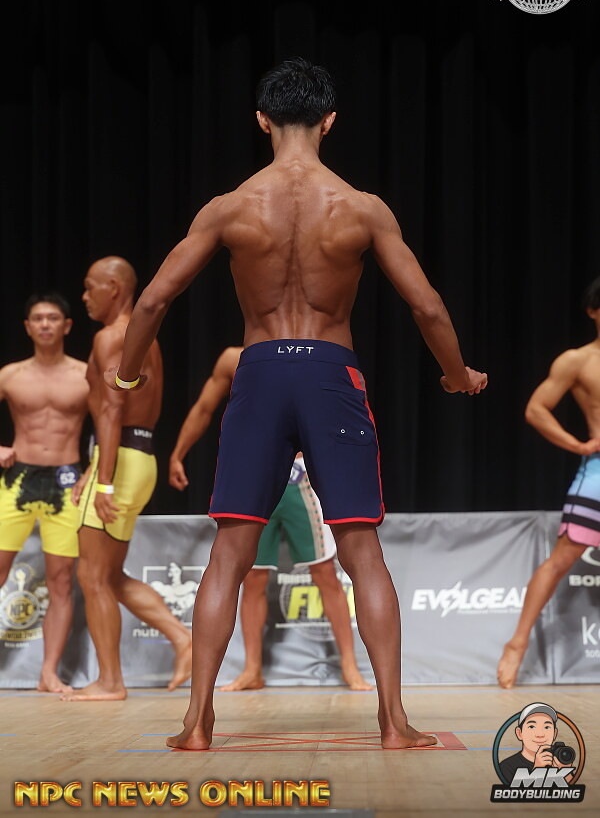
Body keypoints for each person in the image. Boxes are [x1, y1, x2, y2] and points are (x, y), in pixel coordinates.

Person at [107, 57, 487, 749]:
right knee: (361, 549)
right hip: (329, 375)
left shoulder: (229, 207)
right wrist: (458, 375)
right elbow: (427, 306)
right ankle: (393, 722)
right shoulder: (362, 208)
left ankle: (196, 723)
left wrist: (127, 377)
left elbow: (155, 300)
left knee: (229, 551)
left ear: (261, 120)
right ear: (330, 121)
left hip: (258, 372)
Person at [169, 345, 373, 691]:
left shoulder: (311, 350)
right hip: (256, 472)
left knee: (325, 573)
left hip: (300, 476)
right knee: (252, 577)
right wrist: (178, 453)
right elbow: (204, 407)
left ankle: (350, 667)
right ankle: (252, 669)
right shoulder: (233, 358)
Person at [63, 257, 192, 701]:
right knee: (110, 575)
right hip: (137, 456)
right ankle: (181, 637)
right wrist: (94, 469)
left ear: (114, 288)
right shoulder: (141, 337)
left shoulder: (110, 336)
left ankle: (110, 682)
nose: (85, 296)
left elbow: (111, 408)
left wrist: (103, 481)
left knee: (92, 576)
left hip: (119, 463)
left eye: (89, 287)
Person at [497, 277, 600, 688]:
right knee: (560, 560)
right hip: (598, 473)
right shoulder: (578, 360)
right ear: (593, 311)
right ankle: (517, 643)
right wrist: (578, 445)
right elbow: (537, 409)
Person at [0, 293, 88, 693]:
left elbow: (111, 423)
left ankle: (48, 673)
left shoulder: (84, 374)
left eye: (53, 318)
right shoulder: (11, 375)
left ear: (67, 326)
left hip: (67, 480)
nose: (46, 324)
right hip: (17, 478)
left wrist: (95, 471)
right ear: (28, 327)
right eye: (38, 318)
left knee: (61, 580)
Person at [499, 703, 575, 784]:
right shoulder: (507, 766)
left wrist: (566, 772)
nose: (540, 734)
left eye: (547, 727)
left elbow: (572, 789)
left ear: (555, 734)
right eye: (532, 727)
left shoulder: (559, 761)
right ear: (519, 733)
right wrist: (537, 770)